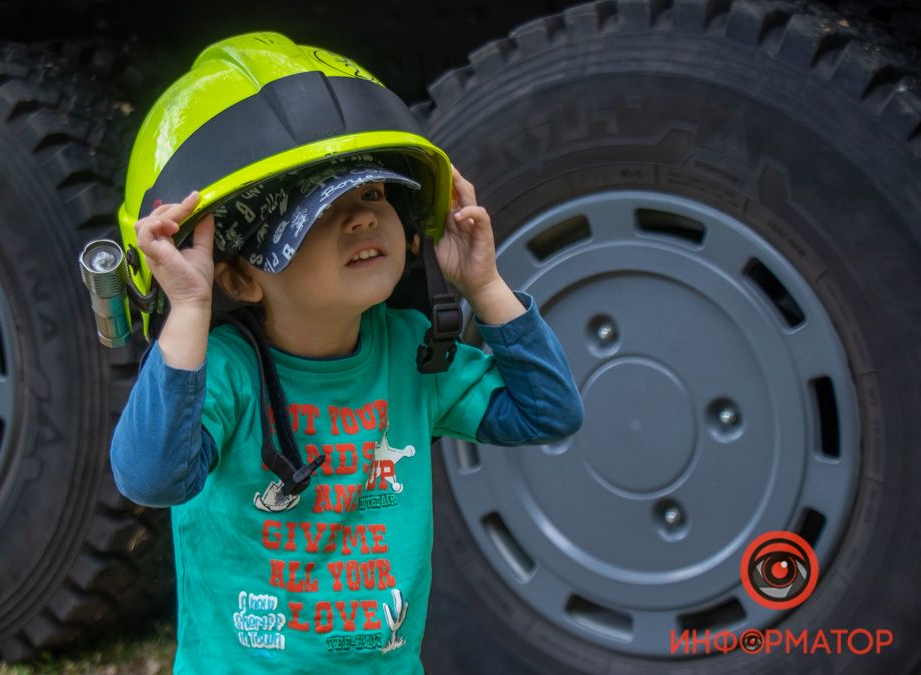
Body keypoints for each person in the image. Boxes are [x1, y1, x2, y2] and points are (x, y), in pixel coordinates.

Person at [109, 33, 583, 674]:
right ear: (243, 278)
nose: (360, 218)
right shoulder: (223, 372)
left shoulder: (413, 354)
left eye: (372, 194)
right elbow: (151, 477)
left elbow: (549, 411)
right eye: (318, 211)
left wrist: (485, 287)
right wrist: (189, 309)